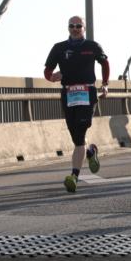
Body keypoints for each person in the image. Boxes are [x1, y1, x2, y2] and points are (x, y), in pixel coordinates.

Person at [44, 15, 109, 192]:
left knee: (80, 132)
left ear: (84, 28)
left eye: (78, 26)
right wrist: (52, 77)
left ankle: (74, 176)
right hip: (68, 94)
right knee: (76, 136)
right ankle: (90, 152)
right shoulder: (59, 48)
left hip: (87, 93)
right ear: (68, 28)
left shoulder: (92, 46)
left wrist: (104, 84)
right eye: (72, 26)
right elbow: (47, 71)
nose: (75, 28)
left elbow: (105, 63)